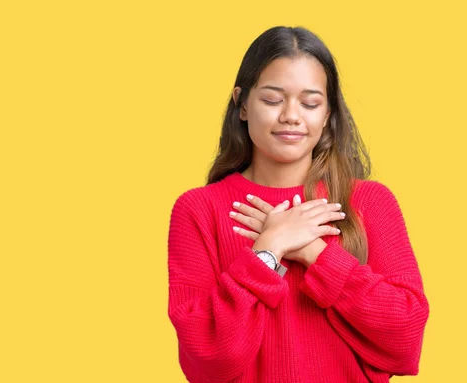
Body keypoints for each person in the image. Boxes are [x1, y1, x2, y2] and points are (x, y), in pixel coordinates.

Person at [167, 25, 429, 383]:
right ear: (241, 104)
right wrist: (268, 250)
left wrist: (314, 252)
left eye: (310, 103)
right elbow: (205, 361)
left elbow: (406, 340)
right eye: (273, 99)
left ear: (328, 114)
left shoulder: (370, 202)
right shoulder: (199, 209)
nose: (291, 115)